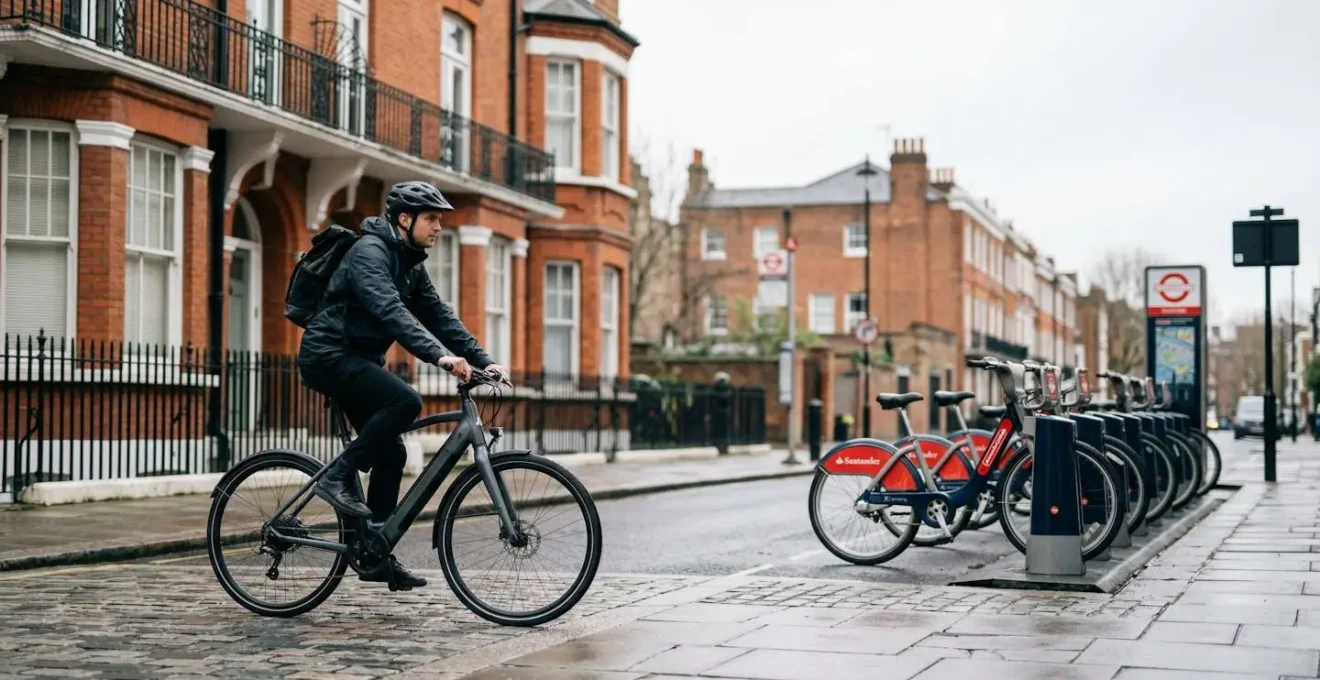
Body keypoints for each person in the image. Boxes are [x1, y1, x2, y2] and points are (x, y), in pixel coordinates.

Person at [297, 180, 507, 589]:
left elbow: (439, 315)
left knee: (391, 452)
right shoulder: (369, 253)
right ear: (405, 219)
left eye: (440, 219)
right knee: (406, 401)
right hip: (328, 356)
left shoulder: (410, 263)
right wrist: (440, 357)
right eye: (431, 218)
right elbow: (390, 310)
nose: (439, 227)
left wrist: (485, 361)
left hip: (357, 361)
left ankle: (374, 553)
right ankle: (336, 477)